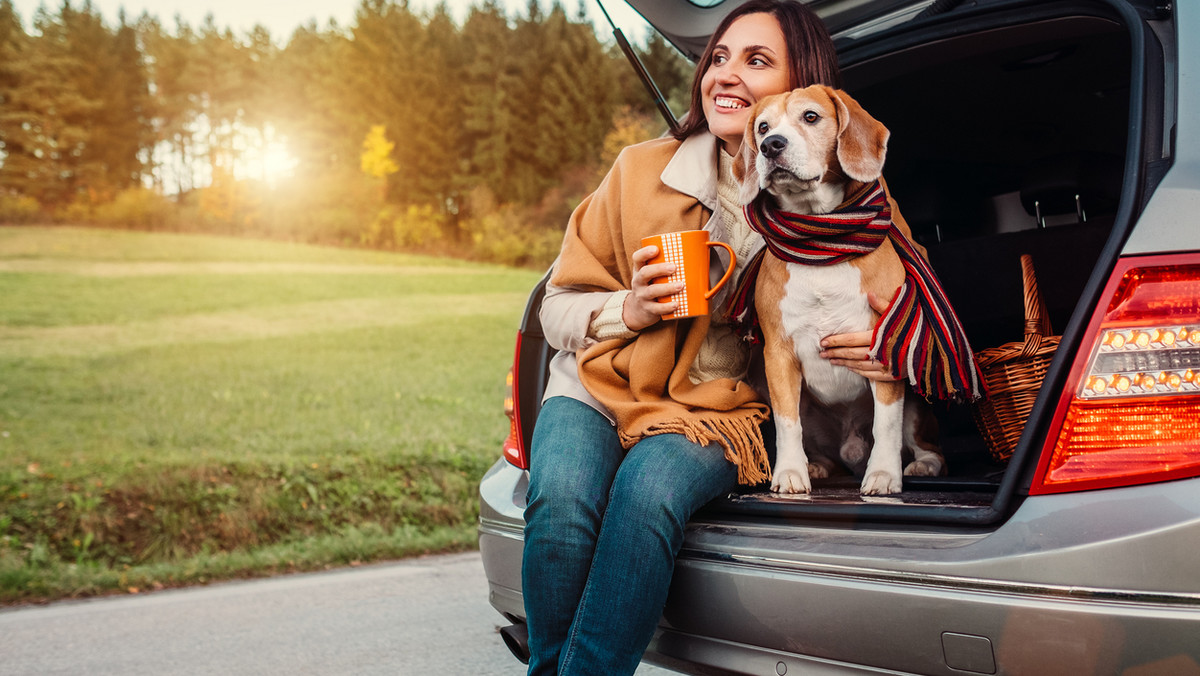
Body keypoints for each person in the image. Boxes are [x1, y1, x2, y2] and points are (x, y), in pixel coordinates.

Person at [520, 2, 910, 673]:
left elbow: (918, 303)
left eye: (756, 62)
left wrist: (893, 341)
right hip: (599, 385)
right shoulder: (639, 171)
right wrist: (633, 310)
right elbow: (556, 309)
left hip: (721, 410)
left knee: (647, 495)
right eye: (719, 57)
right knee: (560, 505)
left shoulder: (855, 198)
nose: (725, 75)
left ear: (799, 87)